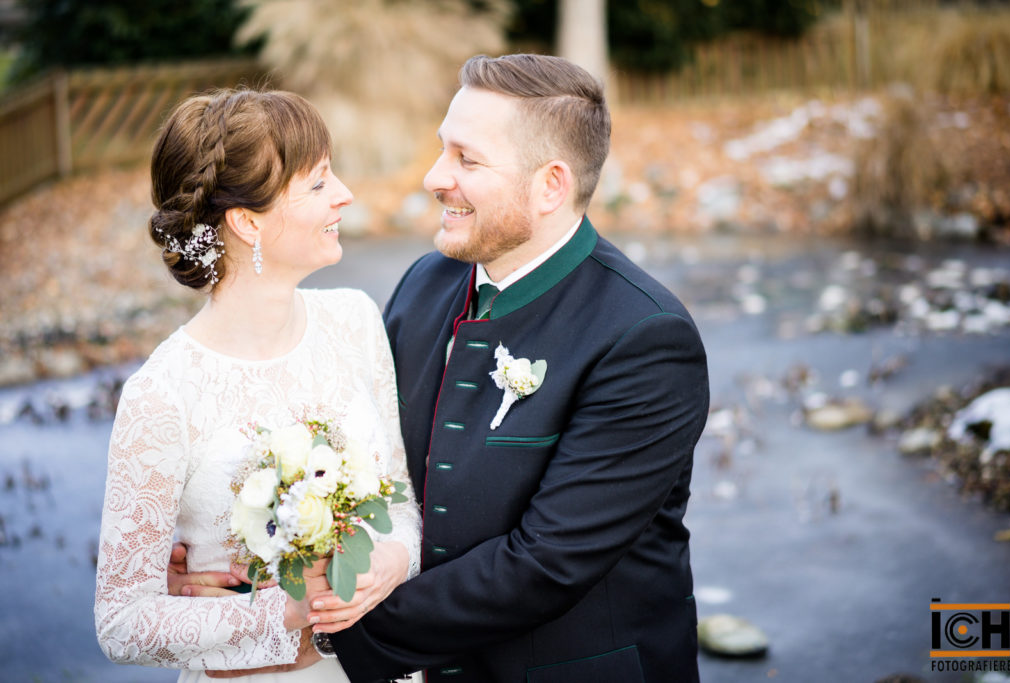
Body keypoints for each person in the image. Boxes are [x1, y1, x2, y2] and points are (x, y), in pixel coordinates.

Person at [192, 53, 708, 683]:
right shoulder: (425, 283)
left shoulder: (645, 337)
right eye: (443, 150)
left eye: (467, 159)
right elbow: (358, 468)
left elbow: (546, 564)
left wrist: (326, 636)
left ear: (550, 184)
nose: (435, 177)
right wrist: (238, 551)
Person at [93, 88, 422, 683]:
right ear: (247, 222)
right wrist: (286, 611)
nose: (345, 194)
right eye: (319, 182)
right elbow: (121, 621)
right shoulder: (163, 394)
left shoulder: (355, 320)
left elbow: (400, 503)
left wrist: (394, 562)